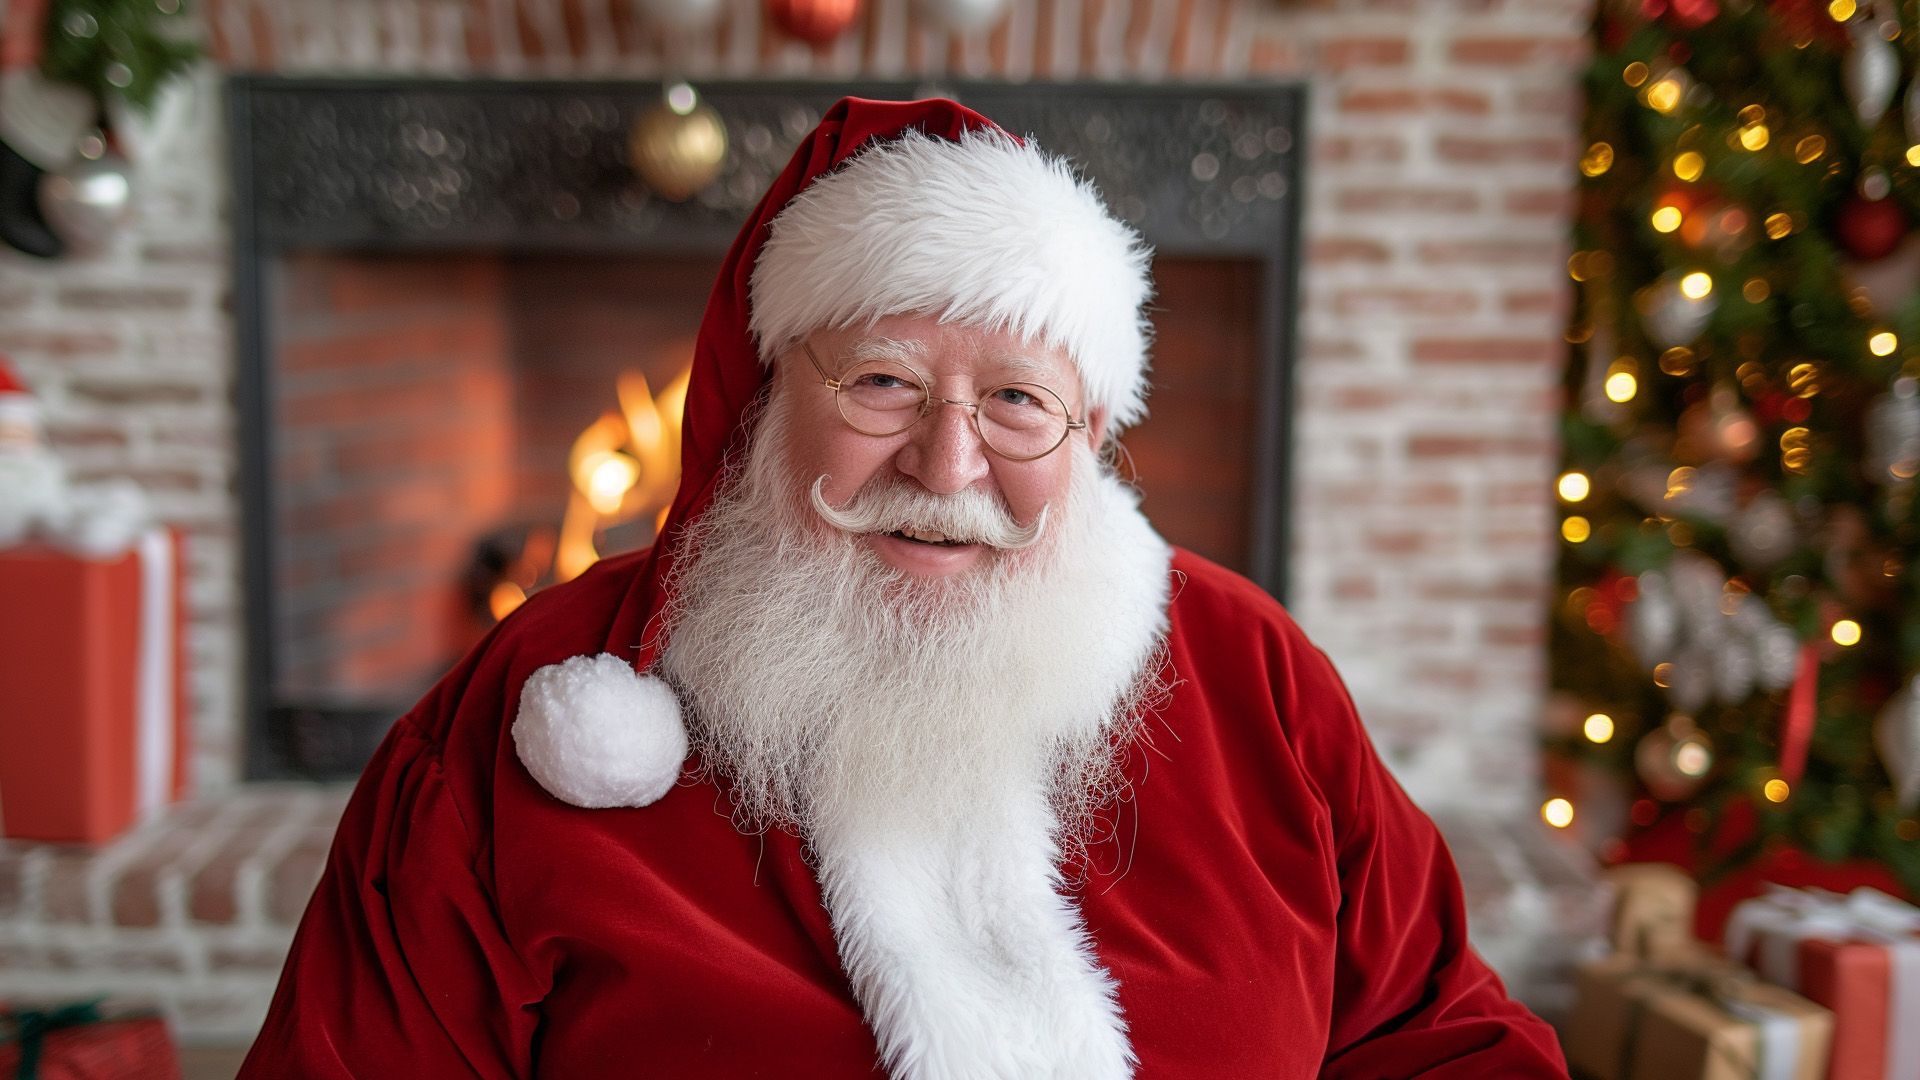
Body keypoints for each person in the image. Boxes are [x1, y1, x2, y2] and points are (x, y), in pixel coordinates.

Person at [239, 97, 1568, 1079]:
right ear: (768, 397)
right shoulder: (541, 703)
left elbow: (1442, 1041)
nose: (946, 462)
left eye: (1017, 402)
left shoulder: (1252, 673)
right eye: (881, 382)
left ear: (1091, 433)